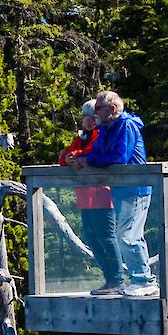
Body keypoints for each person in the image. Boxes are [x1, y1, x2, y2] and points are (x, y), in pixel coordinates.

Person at [73, 90, 155, 297]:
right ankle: (139, 279)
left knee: (128, 236)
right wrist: (82, 159)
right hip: (121, 190)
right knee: (126, 235)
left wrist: (88, 161)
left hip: (136, 188)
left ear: (113, 109)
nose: (95, 113)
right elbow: (98, 153)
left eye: (98, 109)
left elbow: (119, 157)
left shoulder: (126, 126)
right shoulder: (106, 129)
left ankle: (145, 280)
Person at [59, 100, 122, 296]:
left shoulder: (100, 135)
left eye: (92, 117)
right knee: (92, 238)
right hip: (85, 197)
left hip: (102, 195)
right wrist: (69, 158)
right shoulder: (82, 138)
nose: (89, 121)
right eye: (87, 117)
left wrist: (75, 156)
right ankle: (109, 278)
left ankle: (117, 279)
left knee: (107, 237)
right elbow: (63, 159)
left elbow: (94, 154)